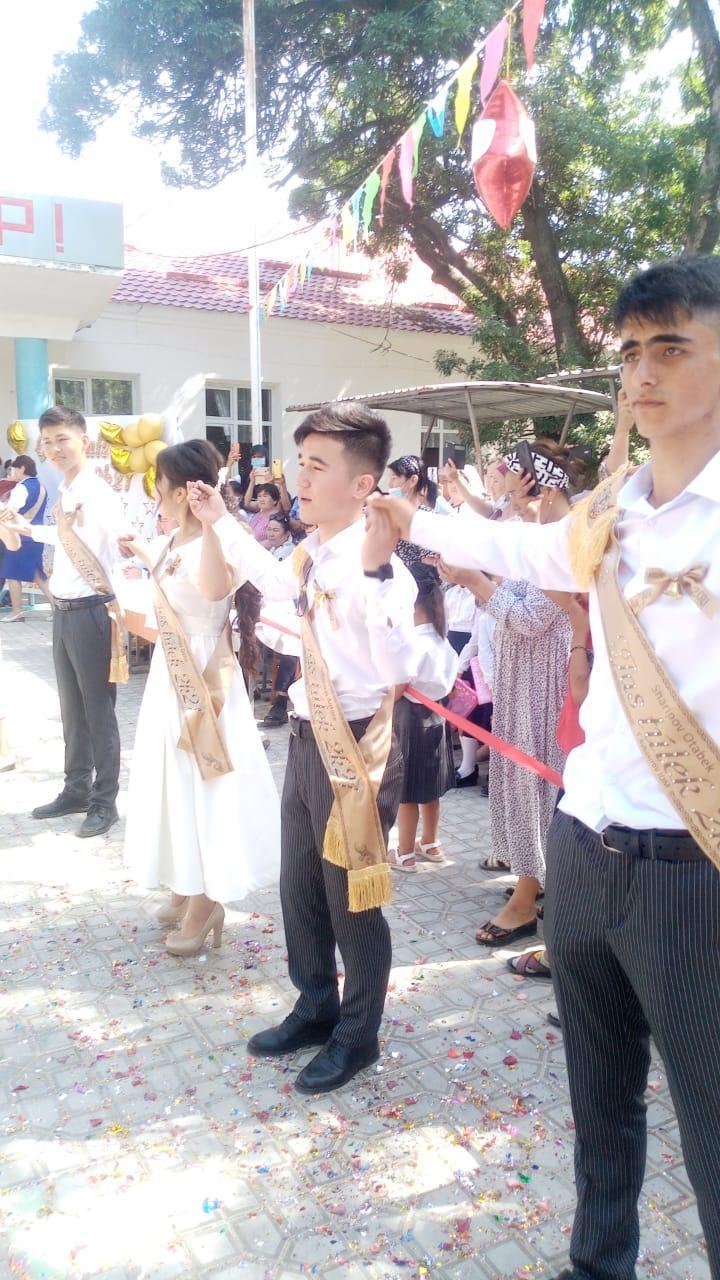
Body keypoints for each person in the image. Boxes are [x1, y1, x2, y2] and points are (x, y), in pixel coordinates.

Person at [372, 254, 720, 1279]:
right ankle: (596, 1262)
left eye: (672, 347)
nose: (643, 372)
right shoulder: (614, 509)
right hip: (583, 842)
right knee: (599, 1098)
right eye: (631, 350)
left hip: (695, 864)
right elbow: (524, 554)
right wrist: (415, 521)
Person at [186, 402, 420, 1094]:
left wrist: (372, 590)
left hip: (356, 747)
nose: (301, 480)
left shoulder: (378, 568)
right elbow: (274, 584)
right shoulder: (314, 552)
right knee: (302, 887)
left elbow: (400, 664)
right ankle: (316, 1005)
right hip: (306, 735)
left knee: (351, 898)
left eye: (319, 467)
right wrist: (220, 521)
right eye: (302, 464)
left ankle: (358, 1033)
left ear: (363, 484)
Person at [119, 440, 281, 955]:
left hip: (205, 678)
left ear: (182, 491)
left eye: (160, 483)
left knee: (201, 783)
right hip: (170, 674)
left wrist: (211, 524)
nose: (154, 492)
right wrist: (139, 552)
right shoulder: (171, 540)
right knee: (173, 780)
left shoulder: (218, 538)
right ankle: (184, 883)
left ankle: (207, 899)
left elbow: (211, 591)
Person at [0, 406, 125, 837]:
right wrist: (28, 528)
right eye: (48, 442)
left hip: (92, 610)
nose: (54, 449)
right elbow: (66, 537)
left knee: (98, 712)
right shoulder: (67, 488)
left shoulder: (98, 491)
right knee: (72, 709)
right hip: (65, 610)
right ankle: (76, 789)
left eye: (62, 440)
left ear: (83, 441)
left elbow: (112, 542)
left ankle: (105, 802)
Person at [389, 563, 458, 872]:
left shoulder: (413, 642)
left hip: (409, 720)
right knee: (429, 789)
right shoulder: (442, 641)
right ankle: (430, 842)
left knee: (406, 792)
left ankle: (404, 853)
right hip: (436, 718)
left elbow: (398, 688)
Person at [0, 455, 53, 623]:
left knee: (11, 573)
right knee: (38, 575)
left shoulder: (21, 488)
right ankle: (57, 608)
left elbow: (10, 511)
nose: (13, 473)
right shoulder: (41, 486)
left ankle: (17, 611)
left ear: (22, 468)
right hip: (36, 537)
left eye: (14, 469)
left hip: (20, 537)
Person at [385, 454, 440, 568]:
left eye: (394, 478)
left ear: (413, 481)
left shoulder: (424, 516)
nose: (390, 484)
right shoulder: (391, 511)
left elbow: (430, 559)